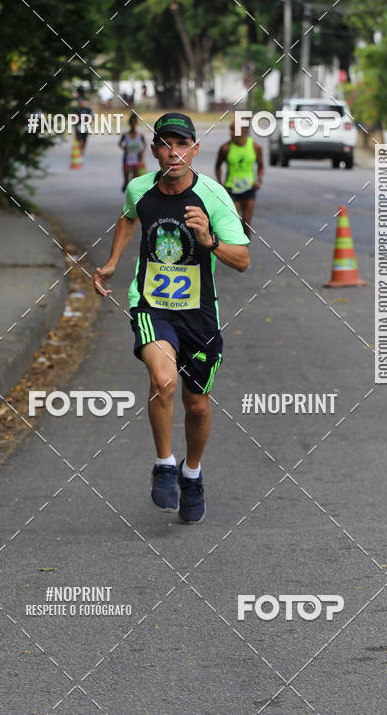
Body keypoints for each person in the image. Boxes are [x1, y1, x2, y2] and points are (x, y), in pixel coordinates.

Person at [93, 113, 249, 523]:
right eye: (166, 144)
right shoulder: (140, 189)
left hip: (199, 316)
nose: (174, 152)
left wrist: (209, 241)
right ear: (154, 150)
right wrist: (112, 263)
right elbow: (129, 217)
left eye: (182, 144)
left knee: (196, 405)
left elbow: (244, 260)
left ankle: (191, 474)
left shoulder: (214, 198)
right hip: (152, 306)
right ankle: (164, 463)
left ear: (195, 149)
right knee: (162, 379)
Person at [215, 122, 264, 239]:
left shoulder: (255, 147)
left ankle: (244, 247)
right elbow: (218, 166)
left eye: (234, 130)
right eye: (230, 130)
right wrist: (220, 183)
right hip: (232, 188)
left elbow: (261, 166)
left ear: (243, 131)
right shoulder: (225, 148)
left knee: (247, 222)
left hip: (249, 188)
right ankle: (235, 246)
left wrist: (259, 180)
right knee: (234, 221)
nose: (231, 134)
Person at [119, 113, 146, 191]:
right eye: (132, 122)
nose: (133, 124)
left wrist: (142, 152)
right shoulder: (125, 135)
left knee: (134, 182)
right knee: (126, 182)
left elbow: (144, 145)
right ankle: (127, 192)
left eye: (135, 122)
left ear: (137, 123)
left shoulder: (140, 135)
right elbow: (120, 144)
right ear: (129, 123)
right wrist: (124, 149)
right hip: (127, 159)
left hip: (136, 159)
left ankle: (132, 198)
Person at [73, 93, 92, 159]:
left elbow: (91, 118)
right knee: (79, 140)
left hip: (86, 127)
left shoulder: (88, 109)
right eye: (80, 102)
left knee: (84, 141)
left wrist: (85, 118)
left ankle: (82, 151)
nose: (81, 103)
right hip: (78, 127)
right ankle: (79, 152)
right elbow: (73, 118)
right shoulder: (76, 109)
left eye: (82, 102)